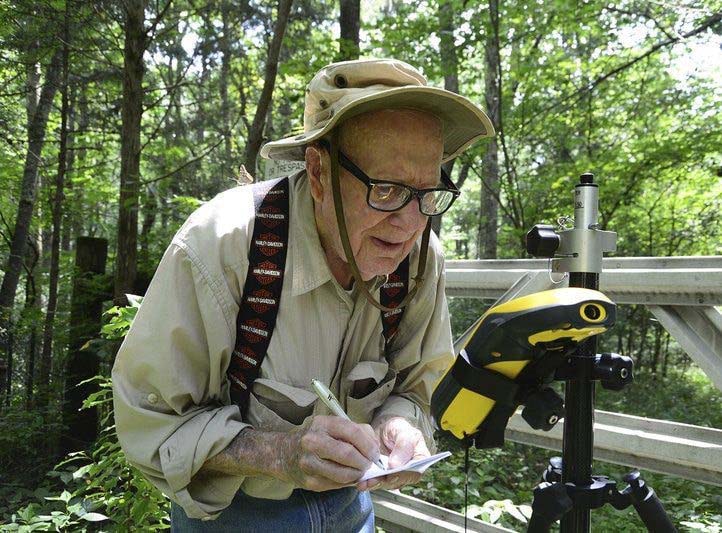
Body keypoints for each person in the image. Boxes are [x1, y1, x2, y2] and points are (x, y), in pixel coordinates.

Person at [112, 58, 493, 532]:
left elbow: (418, 384)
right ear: (318, 171)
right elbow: (152, 423)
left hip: (352, 510)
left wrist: (403, 422)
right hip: (232, 516)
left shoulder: (418, 259)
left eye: (428, 193)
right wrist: (280, 453)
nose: (411, 222)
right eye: (389, 190)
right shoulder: (226, 244)